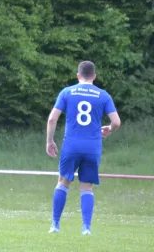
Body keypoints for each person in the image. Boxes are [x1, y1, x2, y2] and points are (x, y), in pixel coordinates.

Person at [46, 61, 121, 235]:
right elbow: (116, 122)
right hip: (92, 147)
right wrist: (109, 129)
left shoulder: (67, 92)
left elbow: (52, 119)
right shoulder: (103, 95)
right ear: (94, 76)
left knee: (63, 182)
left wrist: (49, 141)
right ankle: (86, 228)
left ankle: (55, 225)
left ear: (78, 75)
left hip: (71, 145)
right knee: (86, 187)